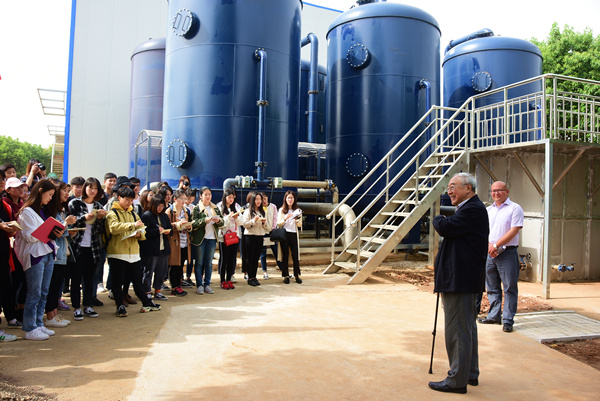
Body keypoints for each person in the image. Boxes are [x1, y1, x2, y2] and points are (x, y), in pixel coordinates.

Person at [428, 173, 489, 394]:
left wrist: (437, 218)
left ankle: (457, 380)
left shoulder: (472, 209)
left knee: (457, 331)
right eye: (449, 187)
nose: (449, 191)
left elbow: (445, 227)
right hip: (463, 279)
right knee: (467, 328)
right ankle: (469, 373)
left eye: (453, 186)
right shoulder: (470, 208)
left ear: (468, 188)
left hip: (460, 280)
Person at [15, 180, 63, 340]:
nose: (50, 198)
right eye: (49, 194)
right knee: (34, 293)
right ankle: (30, 328)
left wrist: (54, 232)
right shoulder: (26, 211)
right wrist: (49, 232)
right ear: (40, 191)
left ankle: (38, 323)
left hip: (48, 253)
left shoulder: (43, 210)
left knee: (43, 292)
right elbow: (29, 236)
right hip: (35, 256)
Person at [105, 185, 161, 317]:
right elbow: (113, 228)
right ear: (119, 198)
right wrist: (132, 226)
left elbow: (142, 229)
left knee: (137, 280)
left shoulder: (133, 214)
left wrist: (139, 234)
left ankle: (146, 302)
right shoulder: (112, 213)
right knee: (118, 281)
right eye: (127, 200)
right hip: (118, 253)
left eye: (131, 200)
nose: (129, 203)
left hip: (134, 254)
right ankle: (119, 306)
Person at [477, 181, 524, 333]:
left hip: (507, 253)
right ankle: (494, 316)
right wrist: (489, 247)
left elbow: (514, 230)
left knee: (509, 287)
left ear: (507, 191)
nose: (496, 193)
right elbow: (483, 230)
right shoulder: (488, 210)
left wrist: (496, 245)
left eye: (500, 190)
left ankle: (508, 320)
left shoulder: (515, 208)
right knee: (492, 287)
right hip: (490, 253)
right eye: (493, 191)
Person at [68, 177, 107, 321]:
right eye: (90, 187)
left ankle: (88, 305)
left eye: (96, 188)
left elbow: (100, 230)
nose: (93, 191)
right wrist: (84, 217)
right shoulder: (75, 203)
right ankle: (76, 308)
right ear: (85, 188)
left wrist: (100, 219)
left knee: (89, 278)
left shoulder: (98, 206)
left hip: (93, 247)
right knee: (76, 278)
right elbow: (70, 223)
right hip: (78, 246)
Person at [44, 180, 76, 328]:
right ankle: (50, 316)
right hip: (53, 254)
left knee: (57, 287)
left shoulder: (62, 210)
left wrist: (71, 231)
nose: (67, 193)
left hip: (62, 254)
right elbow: (53, 232)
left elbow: (64, 233)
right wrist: (66, 224)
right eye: (64, 190)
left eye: (68, 191)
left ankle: (55, 315)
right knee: (52, 287)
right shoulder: (50, 211)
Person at [190, 187, 223, 294]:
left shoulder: (215, 208)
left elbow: (222, 222)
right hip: (200, 239)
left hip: (212, 239)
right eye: (205, 194)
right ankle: (199, 285)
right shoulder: (196, 208)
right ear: (201, 196)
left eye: (209, 194)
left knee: (209, 263)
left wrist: (218, 220)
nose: (208, 196)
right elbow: (193, 224)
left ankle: (207, 284)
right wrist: (204, 220)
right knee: (199, 262)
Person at [140, 194, 172, 301]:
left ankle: (158, 290)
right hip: (151, 249)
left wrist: (168, 232)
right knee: (148, 271)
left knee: (161, 271)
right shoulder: (146, 216)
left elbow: (170, 228)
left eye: (162, 206)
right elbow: (143, 233)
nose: (160, 208)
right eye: (158, 206)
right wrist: (156, 231)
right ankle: (147, 291)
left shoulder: (164, 216)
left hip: (163, 248)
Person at [166, 190, 191, 296]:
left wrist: (189, 226)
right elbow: (167, 227)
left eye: (185, 199)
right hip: (175, 242)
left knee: (181, 264)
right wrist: (178, 224)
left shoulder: (186, 211)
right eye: (181, 199)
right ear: (175, 199)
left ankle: (179, 284)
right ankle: (174, 287)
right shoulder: (170, 211)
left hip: (184, 241)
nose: (183, 201)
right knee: (174, 265)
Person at [218, 187, 242, 289]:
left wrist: (237, 218)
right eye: (229, 197)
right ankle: (222, 280)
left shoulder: (236, 207)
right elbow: (219, 223)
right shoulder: (219, 206)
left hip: (234, 236)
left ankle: (229, 279)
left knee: (232, 259)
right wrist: (228, 217)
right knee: (224, 259)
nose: (231, 199)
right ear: (225, 197)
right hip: (224, 237)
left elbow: (241, 222)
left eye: (232, 197)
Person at [277, 191, 303, 284]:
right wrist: (285, 218)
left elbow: (300, 225)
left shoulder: (298, 210)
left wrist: (297, 220)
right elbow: (278, 223)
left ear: (294, 199)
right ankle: (286, 275)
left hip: (293, 233)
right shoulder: (282, 210)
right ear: (285, 199)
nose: (290, 200)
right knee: (285, 255)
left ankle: (297, 275)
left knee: (295, 255)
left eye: (291, 198)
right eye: (288, 198)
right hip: (284, 234)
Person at [242, 192, 268, 287]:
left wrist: (264, 222)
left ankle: (254, 276)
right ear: (253, 200)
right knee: (250, 257)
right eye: (256, 199)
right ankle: (250, 277)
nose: (259, 201)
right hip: (250, 236)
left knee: (256, 257)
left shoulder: (262, 212)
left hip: (260, 236)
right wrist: (253, 220)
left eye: (260, 199)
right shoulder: (248, 211)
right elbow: (245, 224)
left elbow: (266, 226)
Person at [259, 192, 280, 279]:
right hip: (263, 233)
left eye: (265, 198)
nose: (264, 200)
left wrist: (273, 229)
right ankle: (265, 272)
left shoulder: (273, 207)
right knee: (263, 253)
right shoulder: (259, 208)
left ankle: (282, 269)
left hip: (272, 232)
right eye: (262, 199)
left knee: (276, 251)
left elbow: (275, 218)